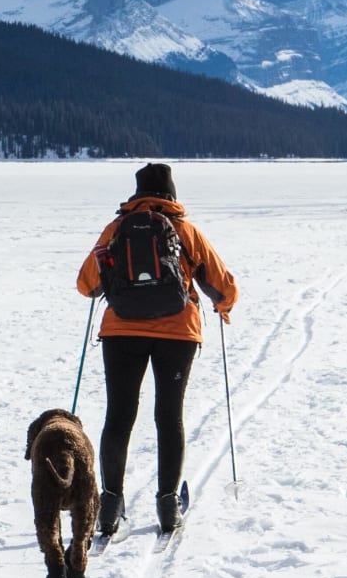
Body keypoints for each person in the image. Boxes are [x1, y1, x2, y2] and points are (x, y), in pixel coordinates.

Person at [77, 163, 238, 534]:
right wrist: (222, 307)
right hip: (178, 334)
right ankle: (168, 505)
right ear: (172, 194)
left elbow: (86, 284)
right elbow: (224, 286)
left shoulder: (116, 229)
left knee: (119, 415)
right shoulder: (185, 231)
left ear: (137, 194)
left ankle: (110, 504)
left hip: (121, 333)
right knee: (169, 416)